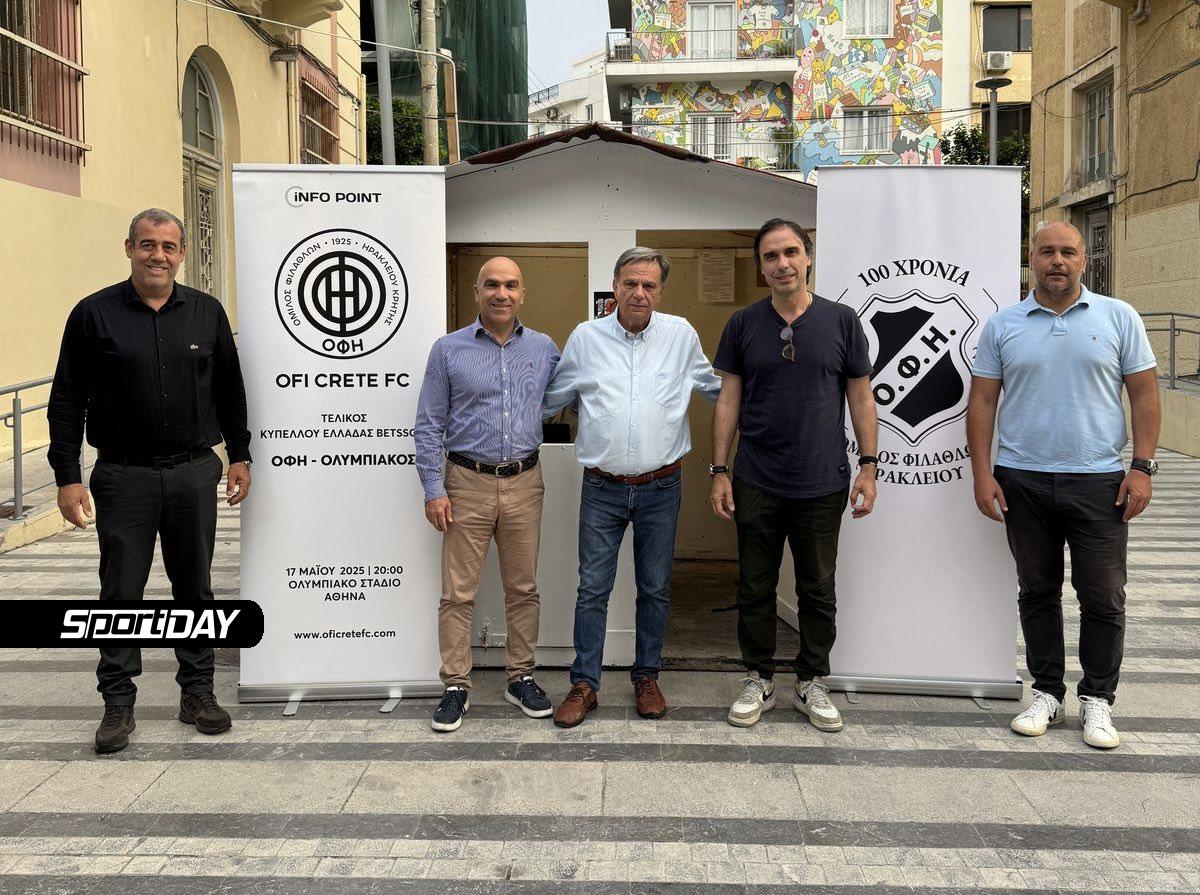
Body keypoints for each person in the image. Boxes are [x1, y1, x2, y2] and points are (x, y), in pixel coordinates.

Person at [47, 208, 252, 754]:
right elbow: (66, 400)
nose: (157, 255)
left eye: (167, 246)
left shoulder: (207, 313)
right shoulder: (93, 315)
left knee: (195, 588)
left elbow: (230, 391)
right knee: (120, 591)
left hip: (193, 471)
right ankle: (117, 701)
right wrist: (67, 477)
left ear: (181, 254)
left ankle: (198, 692)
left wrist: (240, 454)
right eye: (147, 245)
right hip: (123, 475)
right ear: (129, 248)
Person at [967, 221, 1160, 750]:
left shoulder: (1119, 317)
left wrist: (1142, 467)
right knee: (1037, 591)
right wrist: (982, 473)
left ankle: (1098, 699)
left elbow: (1144, 395)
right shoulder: (1003, 325)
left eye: (1068, 252)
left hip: (1100, 481)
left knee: (1103, 596)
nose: (1058, 260)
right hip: (1022, 479)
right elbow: (982, 401)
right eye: (1047, 251)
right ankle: (1047, 693)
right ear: (1032, 259)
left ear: (1083, 260)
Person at [710, 218, 879, 732]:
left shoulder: (842, 321)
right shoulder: (743, 324)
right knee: (755, 585)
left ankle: (812, 680)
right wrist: (719, 470)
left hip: (822, 482)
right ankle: (758, 677)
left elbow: (861, 397)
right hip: (756, 479)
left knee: (818, 588)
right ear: (760, 268)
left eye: (790, 253)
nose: (782, 264)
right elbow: (729, 399)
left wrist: (869, 466)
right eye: (770, 256)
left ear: (807, 257)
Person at [544, 247, 721, 727]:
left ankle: (646, 677)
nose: (639, 293)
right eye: (630, 283)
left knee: (655, 588)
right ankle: (585, 684)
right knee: (592, 589)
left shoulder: (680, 335)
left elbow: (715, 390)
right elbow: (551, 398)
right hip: (601, 488)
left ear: (660, 291)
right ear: (615, 285)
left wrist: (772, 398)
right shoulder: (586, 338)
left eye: (649, 285)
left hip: (661, 486)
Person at [415, 257, 560, 733]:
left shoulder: (543, 348)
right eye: (492, 285)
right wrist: (433, 488)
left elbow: (570, 396)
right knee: (458, 593)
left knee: (524, 588)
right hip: (466, 483)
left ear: (523, 294)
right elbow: (428, 424)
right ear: (477, 292)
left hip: (525, 482)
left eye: (511, 285)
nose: (502, 293)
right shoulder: (448, 350)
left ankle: (521, 677)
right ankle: (456, 685)